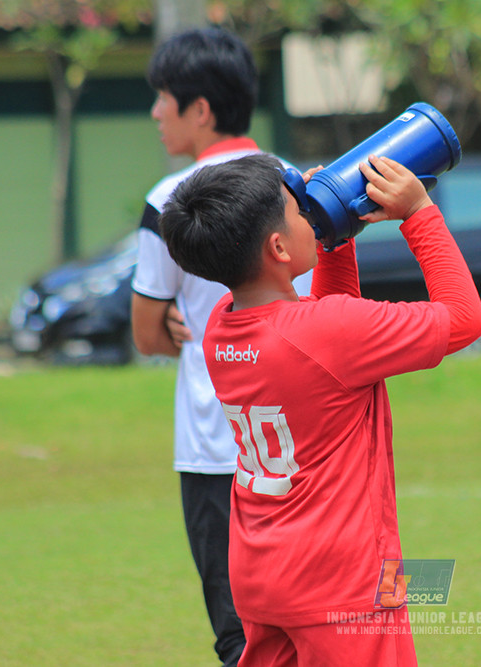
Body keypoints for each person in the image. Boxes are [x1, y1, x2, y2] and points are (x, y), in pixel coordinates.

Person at [157, 153, 481, 666]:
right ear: (277, 247)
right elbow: (464, 319)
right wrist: (419, 212)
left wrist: (335, 236)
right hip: (343, 581)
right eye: (298, 209)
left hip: (261, 573)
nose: (309, 211)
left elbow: (329, 335)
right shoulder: (326, 332)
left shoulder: (222, 324)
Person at [130, 27, 306, 667]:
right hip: (302, 441)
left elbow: (146, 333)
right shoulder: (294, 184)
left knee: (241, 637)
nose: (156, 112)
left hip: (216, 448)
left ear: (200, 109)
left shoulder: (169, 202)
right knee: (320, 620)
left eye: (164, 98)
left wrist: (181, 327)